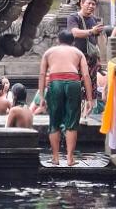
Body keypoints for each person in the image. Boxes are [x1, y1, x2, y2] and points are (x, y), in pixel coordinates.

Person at [39, 29, 92, 165]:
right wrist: (90, 99)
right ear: (73, 41)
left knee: (54, 122)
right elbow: (85, 75)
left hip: (55, 83)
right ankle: (70, 158)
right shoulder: (78, 53)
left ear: (58, 40)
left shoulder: (49, 53)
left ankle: (55, 158)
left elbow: (42, 75)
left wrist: (41, 96)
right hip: (73, 82)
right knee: (72, 122)